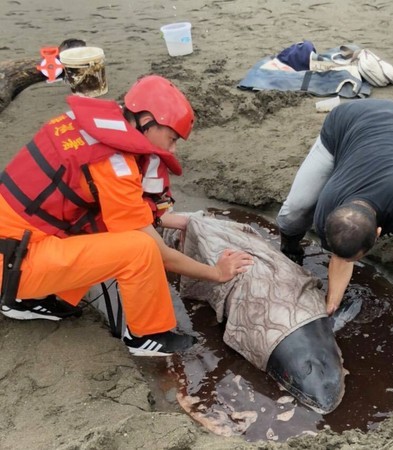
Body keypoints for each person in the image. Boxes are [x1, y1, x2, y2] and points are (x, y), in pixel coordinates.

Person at [0, 75, 253, 357]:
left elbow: (112, 206)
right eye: (171, 138)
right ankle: (145, 336)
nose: (172, 150)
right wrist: (216, 273)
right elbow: (161, 254)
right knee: (139, 249)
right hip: (14, 262)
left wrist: (175, 220)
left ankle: (25, 300)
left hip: (15, 243)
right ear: (145, 119)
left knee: (116, 227)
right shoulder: (113, 164)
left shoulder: (83, 125)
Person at [276, 99, 393, 315]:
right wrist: (331, 306)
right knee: (296, 210)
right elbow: (340, 256)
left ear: (378, 232)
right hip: (345, 122)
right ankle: (290, 248)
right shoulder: (328, 205)